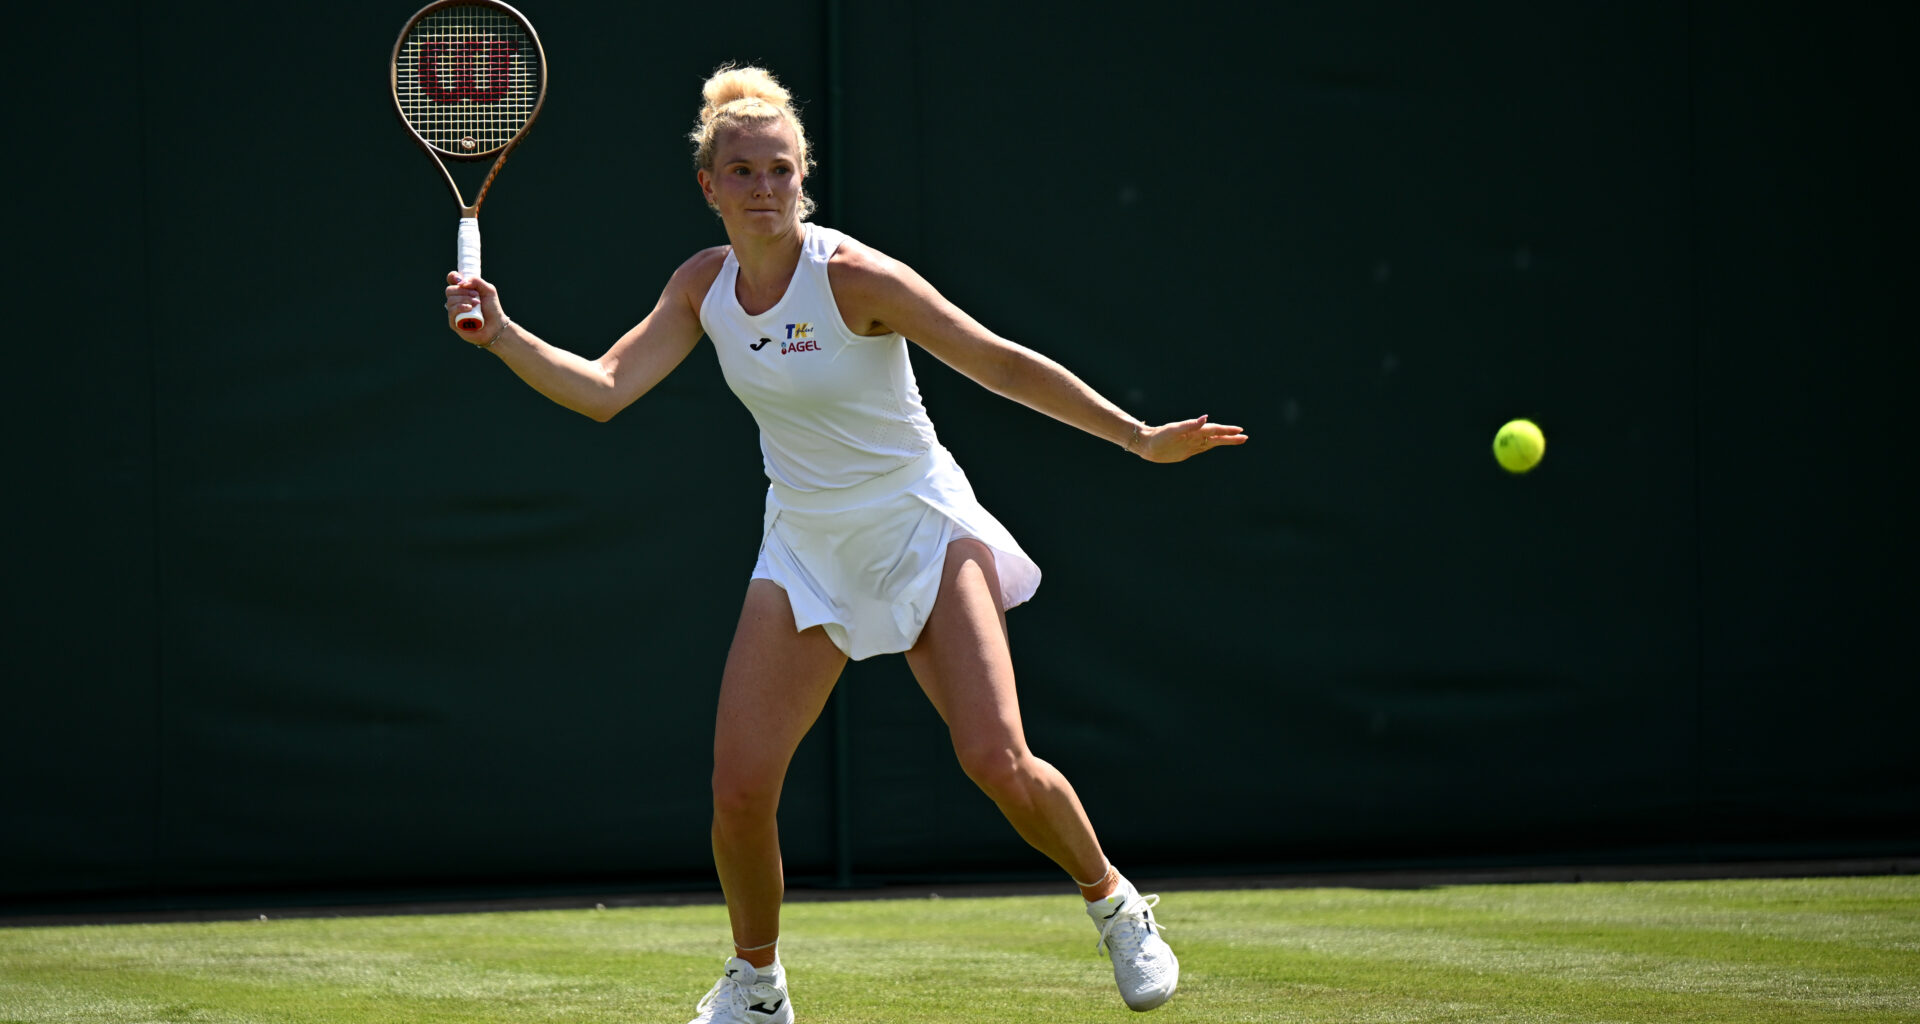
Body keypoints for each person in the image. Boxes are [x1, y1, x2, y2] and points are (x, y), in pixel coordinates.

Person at [442, 64, 1247, 1024]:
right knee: (740, 792)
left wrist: (1138, 437)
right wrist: (502, 334)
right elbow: (606, 389)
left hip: (920, 524)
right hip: (804, 544)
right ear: (709, 187)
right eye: (743, 172)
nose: (764, 188)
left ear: (803, 178)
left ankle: (1115, 904)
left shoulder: (856, 276)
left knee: (996, 759)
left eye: (781, 169)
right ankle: (757, 986)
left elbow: (995, 361)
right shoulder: (701, 285)